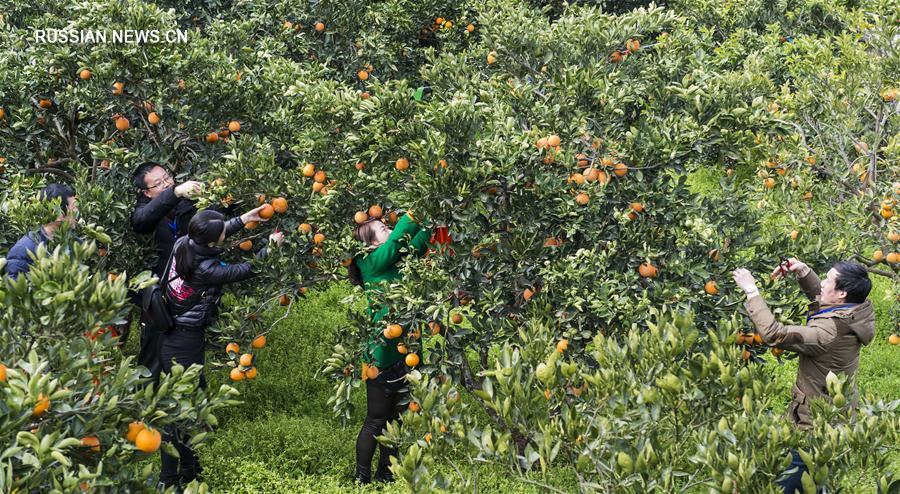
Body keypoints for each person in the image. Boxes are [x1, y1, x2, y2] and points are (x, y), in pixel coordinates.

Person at [158, 207, 283, 490]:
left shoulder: (184, 242)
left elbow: (213, 231)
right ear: (213, 243)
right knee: (179, 412)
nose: (226, 232)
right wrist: (270, 249)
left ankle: (190, 467)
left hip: (176, 334)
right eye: (223, 232)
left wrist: (243, 219)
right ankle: (168, 480)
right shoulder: (206, 269)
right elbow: (246, 270)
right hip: (183, 341)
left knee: (193, 405)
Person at [732, 258, 875, 493]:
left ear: (841, 293)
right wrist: (803, 271)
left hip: (814, 426)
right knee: (814, 480)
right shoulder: (856, 311)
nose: (822, 283)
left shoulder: (828, 333)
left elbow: (774, 335)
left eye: (828, 279)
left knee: (778, 483)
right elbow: (824, 302)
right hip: (833, 418)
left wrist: (751, 290)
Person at [348, 210, 432, 484]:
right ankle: (362, 478)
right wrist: (415, 210)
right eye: (383, 229)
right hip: (380, 355)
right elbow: (398, 240)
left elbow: (415, 242)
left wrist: (433, 214)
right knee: (376, 418)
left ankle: (386, 473)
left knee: (397, 418)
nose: (389, 229)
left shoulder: (396, 260)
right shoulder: (370, 262)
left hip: (407, 350)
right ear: (371, 243)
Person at [131, 162, 203, 384]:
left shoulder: (185, 202)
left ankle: (194, 410)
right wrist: (174, 192)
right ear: (147, 192)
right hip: (157, 298)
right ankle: (145, 407)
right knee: (153, 355)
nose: (166, 184)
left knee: (190, 356)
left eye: (167, 178)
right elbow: (141, 221)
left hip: (187, 293)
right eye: (158, 183)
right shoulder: (146, 208)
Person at [3, 183, 77, 279]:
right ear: (58, 213)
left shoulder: (74, 242)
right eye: (74, 207)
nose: (77, 211)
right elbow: (15, 289)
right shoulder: (23, 250)